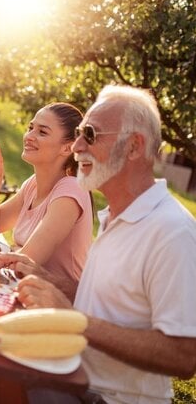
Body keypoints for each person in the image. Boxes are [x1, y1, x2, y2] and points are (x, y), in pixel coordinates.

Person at [12, 85, 196, 403]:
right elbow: (112, 305)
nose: (78, 146)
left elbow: (183, 356)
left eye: (91, 135)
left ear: (134, 147)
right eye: (79, 133)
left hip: (107, 398)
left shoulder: (172, 232)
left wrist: (73, 317)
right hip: (72, 377)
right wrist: (48, 281)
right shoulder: (115, 215)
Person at [0, 103, 93, 300]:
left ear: (68, 147)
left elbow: (23, 263)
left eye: (42, 132)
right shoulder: (33, 184)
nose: (29, 136)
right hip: (25, 290)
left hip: (57, 304)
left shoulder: (71, 191)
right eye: (30, 128)